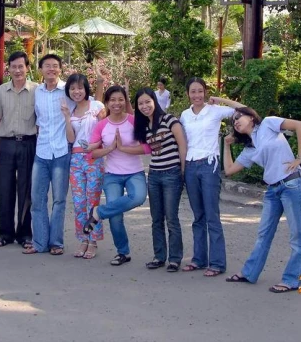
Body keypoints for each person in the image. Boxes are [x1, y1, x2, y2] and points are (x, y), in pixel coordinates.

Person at [223, 107, 301, 293]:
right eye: (233, 121)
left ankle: (292, 280)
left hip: (291, 185)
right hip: (272, 190)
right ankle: (249, 273)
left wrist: (299, 157)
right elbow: (229, 170)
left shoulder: (268, 123)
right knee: (263, 235)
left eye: (239, 117)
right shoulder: (250, 148)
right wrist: (227, 145)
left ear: (252, 117)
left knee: (296, 235)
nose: (235, 121)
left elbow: (300, 126)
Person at [179, 77, 243, 277]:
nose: (197, 95)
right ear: (188, 94)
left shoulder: (215, 111)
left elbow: (244, 110)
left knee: (212, 216)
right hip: (190, 166)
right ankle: (199, 259)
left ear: (205, 92)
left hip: (209, 166)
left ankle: (217, 263)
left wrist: (221, 100)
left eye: (200, 91)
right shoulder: (184, 115)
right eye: (193, 91)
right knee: (198, 216)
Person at [82, 85, 151, 266]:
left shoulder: (134, 121)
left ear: (126, 101)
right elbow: (91, 153)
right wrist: (110, 148)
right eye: (112, 100)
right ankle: (123, 252)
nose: (117, 103)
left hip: (134, 172)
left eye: (121, 99)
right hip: (112, 175)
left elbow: (146, 147)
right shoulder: (101, 125)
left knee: (138, 197)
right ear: (106, 103)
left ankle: (98, 212)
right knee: (116, 216)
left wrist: (123, 148)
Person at [134, 87, 187, 272]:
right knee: (156, 219)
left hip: (172, 174)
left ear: (155, 101)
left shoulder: (169, 120)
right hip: (154, 175)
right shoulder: (144, 127)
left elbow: (182, 146)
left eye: (147, 101)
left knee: (171, 219)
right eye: (140, 103)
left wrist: (182, 173)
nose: (144, 106)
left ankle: (174, 258)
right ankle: (159, 256)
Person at [24, 53, 72, 255]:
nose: (51, 69)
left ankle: (56, 243)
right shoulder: (36, 92)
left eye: (55, 66)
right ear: (41, 70)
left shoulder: (68, 91)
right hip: (41, 151)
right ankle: (39, 242)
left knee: (59, 200)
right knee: (37, 198)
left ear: (60, 69)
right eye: (47, 66)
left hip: (61, 151)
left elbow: (89, 103)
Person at [0, 51, 38, 248]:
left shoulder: (38, 90)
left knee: (26, 190)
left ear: (27, 68)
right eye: (14, 67)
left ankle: (24, 234)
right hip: (6, 143)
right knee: (5, 189)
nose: (18, 70)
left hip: (29, 143)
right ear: (9, 69)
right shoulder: (1, 91)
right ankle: (5, 234)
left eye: (21, 66)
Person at [63, 73, 106, 259]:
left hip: (94, 158)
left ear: (86, 88)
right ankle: (83, 239)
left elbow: (105, 128)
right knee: (79, 202)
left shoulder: (96, 106)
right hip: (76, 159)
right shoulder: (71, 111)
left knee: (92, 201)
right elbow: (71, 139)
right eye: (72, 88)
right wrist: (66, 117)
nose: (76, 91)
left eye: (80, 87)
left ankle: (93, 240)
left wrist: (101, 83)